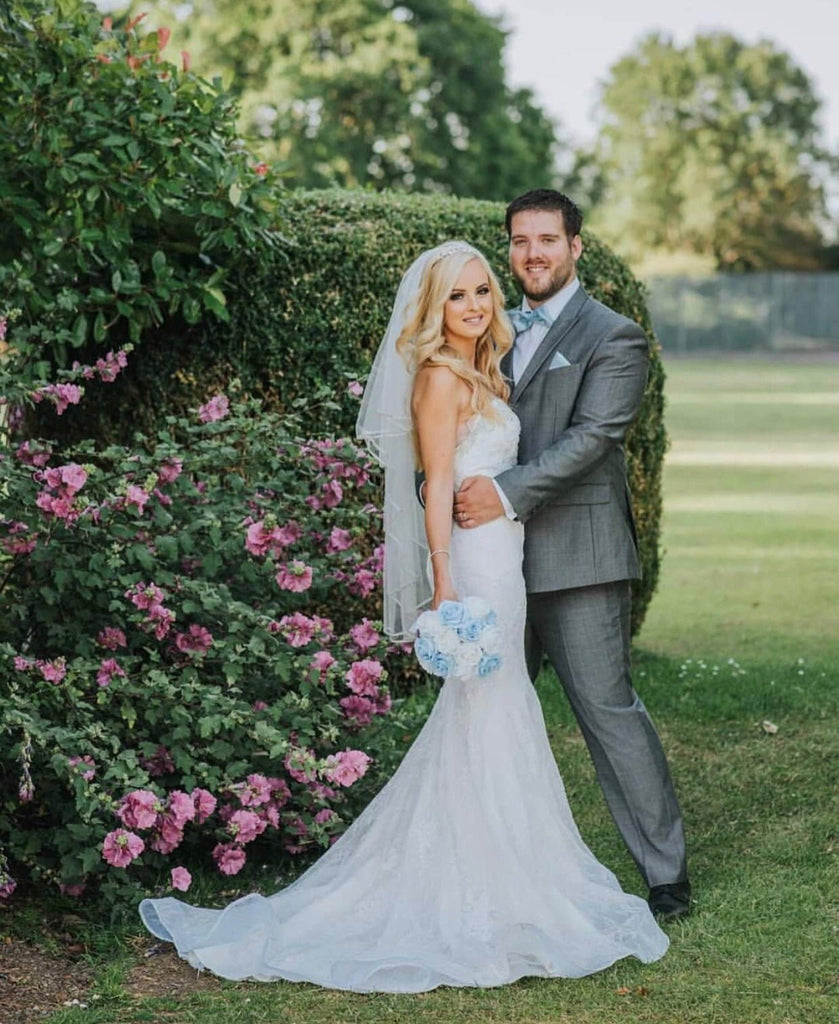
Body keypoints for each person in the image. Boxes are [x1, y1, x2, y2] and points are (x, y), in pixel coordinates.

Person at [138, 240, 669, 991]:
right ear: (432, 307)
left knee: (494, 708)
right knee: (488, 708)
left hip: (505, 554)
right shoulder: (437, 379)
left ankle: (502, 873)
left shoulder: (479, 371)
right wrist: (445, 585)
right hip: (476, 565)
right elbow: (436, 485)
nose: (475, 305)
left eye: (482, 291)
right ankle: (492, 888)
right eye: (457, 296)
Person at [451, 189, 690, 921]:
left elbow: (593, 439)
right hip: (492, 561)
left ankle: (665, 871)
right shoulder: (485, 328)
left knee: (608, 712)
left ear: (574, 246)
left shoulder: (611, 335)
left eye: (547, 240)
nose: (532, 254)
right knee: (482, 708)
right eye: (519, 242)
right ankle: (478, 865)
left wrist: (502, 492)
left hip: (577, 557)